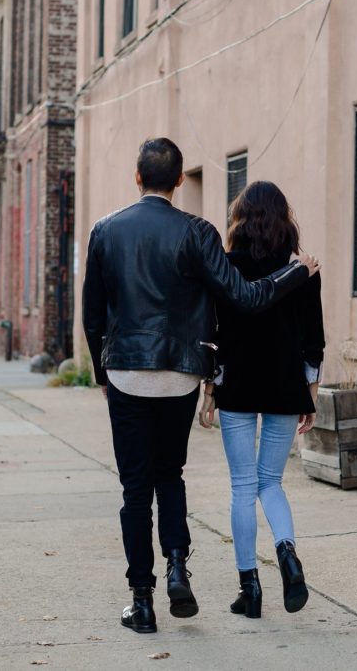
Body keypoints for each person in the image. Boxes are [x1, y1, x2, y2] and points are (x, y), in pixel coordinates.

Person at [81, 140, 320, 634]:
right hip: (180, 375)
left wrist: (103, 372)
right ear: (177, 182)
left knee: (134, 488)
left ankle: (141, 601)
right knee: (170, 476)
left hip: (127, 371)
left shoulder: (104, 231)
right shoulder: (197, 232)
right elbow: (246, 299)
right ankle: (176, 571)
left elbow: (92, 313)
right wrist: (297, 272)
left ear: (137, 177)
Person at [198, 181, 325, 619]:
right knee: (271, 482)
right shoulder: (303, 269)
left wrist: (210, 389)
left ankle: (249, 590)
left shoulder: (227, 265)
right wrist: (310, 392)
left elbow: (215, 334)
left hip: (239, 385)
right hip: (284, 385)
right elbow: (314, 338)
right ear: (284, 220)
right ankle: (288, 556)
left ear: (241, 219)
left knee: (242, 486)